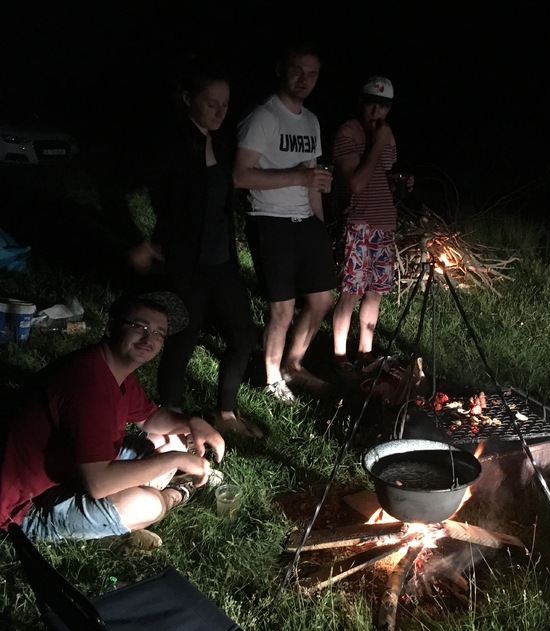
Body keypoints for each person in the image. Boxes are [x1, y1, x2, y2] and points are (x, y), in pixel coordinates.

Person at [0, 291, 226, 545]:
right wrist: (176, 459)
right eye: (140, 326)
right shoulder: (87, 387)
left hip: (69, 470)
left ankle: (110, 520)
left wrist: (192, 422)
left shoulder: (110, 368)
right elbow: (99, 483)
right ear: (110, 328)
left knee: (169, 437)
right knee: (148, 505)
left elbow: (150, 418)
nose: (148, 338)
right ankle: (176, 492)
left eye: (158, 333)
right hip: (25, 506)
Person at [129, 60, 261, 438]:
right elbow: (120, 188)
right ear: (188, 99)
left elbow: (223, 201)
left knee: (243, 334)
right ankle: (171, 419)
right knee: (183, 338)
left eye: (225, 104)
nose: (220, 112)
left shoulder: (222, 141)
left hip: (222, 259)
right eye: (211, 103)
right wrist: (137, 242)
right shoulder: (169, 143)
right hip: (184, 259)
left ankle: (226, 413)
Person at [233, 43, 336, 402]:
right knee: (283, 308)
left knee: (321, 301)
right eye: (297, 70)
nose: (304, 79)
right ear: (281, 70)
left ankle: (294, 363)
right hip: (270, 221)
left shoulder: (311, 121)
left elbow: (313, 178)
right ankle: (272, 377)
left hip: (305, 221)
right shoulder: (263, 117)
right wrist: (298, 177)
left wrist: (319, 225)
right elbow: (240, 176)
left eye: (312, 73)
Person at [330, 76, 405, 374]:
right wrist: (378, 143)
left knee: (375, 291)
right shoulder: (348, 132)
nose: (376, 112)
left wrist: (398, 183)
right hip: (358, 222)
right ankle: (339, 356)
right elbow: (356, 184)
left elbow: (382, 176)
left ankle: (366, 351)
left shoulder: (387, 136)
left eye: (383, 107)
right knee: (351, 290)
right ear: (361, 102)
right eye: (372, 104)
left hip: (383, 223)